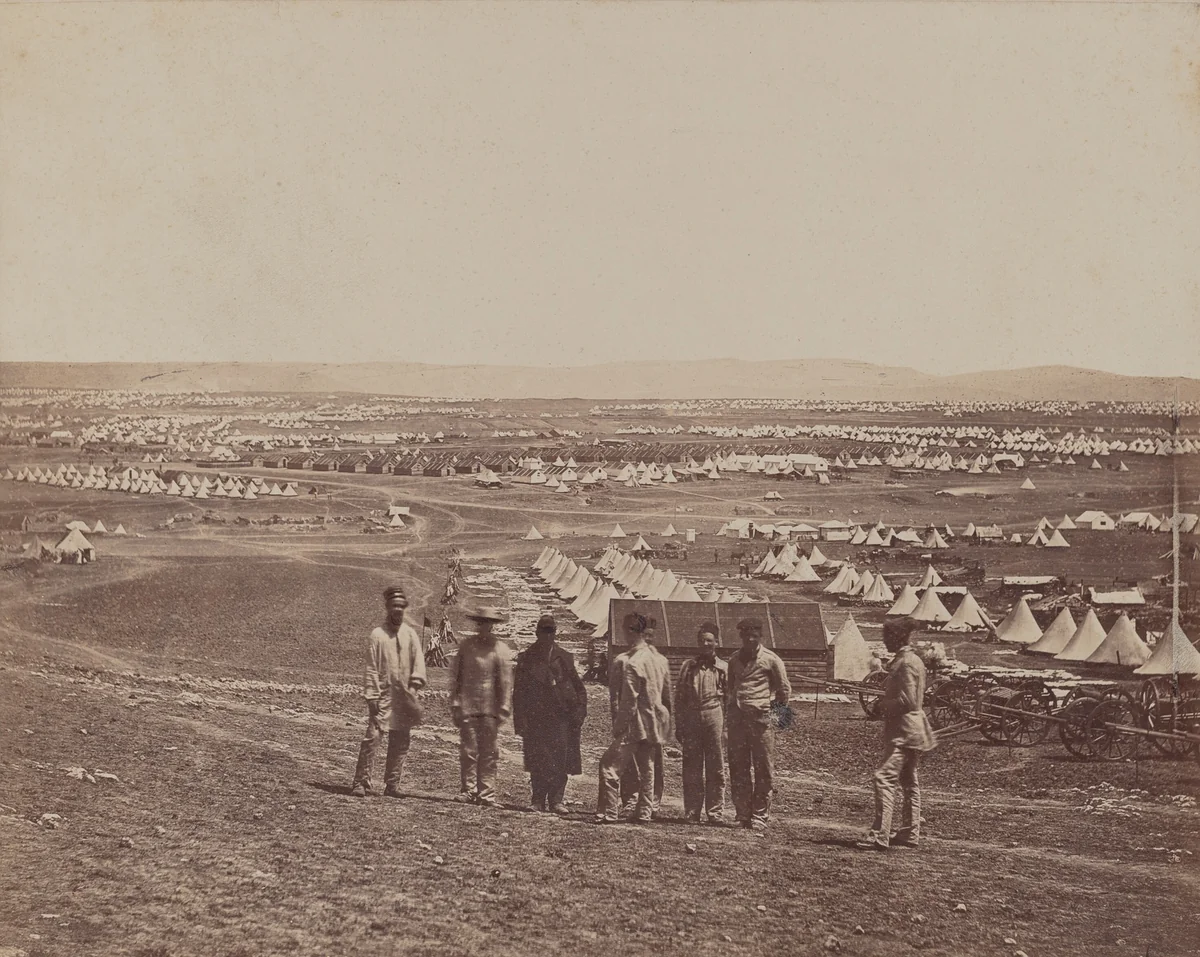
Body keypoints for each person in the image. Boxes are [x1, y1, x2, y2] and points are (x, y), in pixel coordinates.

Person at [857, 617, 937, 851]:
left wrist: (883, 706)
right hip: (912, 729)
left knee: (883, 779)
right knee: (909, 781)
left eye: (886, 637)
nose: (884, 642)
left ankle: (879, 836)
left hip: (905, 730)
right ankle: (910, 833)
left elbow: (909, 700)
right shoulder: (910, 660)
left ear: (896, 637)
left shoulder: (906, 663)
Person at [351, 585, 427, 798]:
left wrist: (413, 689)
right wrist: (372, 696)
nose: (399, 610)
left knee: (401, 740)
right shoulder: (378, 635)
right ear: (387, 607)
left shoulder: (411, 634)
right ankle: (361, 782)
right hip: (383, 696)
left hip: (404, 697)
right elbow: (371, 668)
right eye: (394, 606)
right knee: (372, 737)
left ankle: (392, 783)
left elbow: (418, 664)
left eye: (402, 606)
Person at [595, 612, 671, 824]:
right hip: (653, 725)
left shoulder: (632, 663)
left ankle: (609, 813)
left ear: (630, 631)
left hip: (635, 724)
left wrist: (619, 727)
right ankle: (645, 812)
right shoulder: (658, 660)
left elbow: (629, 701)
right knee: (647, 769)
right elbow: (664, 695)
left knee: (608, 766)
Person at [512, 614, 588, 813]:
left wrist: (579, 713)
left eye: (551, 632)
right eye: (544, 632)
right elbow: (519, 692)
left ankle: (556, 800)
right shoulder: (527, 658)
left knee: (559, 760)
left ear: (555, 634)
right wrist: (520, 720)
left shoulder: (564, 657)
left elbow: (579, 688)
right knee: (538, 759)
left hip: (561, 718)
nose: (547, 636)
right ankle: (537, 799)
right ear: (537, 633)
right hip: (536, 718)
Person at [726, 618, 792, 830]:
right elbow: (730, 687)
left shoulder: (771, 660)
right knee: (738, 767)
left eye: (754, 636)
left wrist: (772, 717)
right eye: (746, 636)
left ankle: (760, 815)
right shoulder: (734, 659)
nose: (750, 640)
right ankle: (743, 813)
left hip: (761, 721)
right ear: (741, 637)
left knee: (763, 769)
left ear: (760, 637)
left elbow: (784, 690)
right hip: (738, 721)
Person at [449, 606, 515, 807]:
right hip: (468, 706)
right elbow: (456, 677)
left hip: (490, 709)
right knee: (469, 750)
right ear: (478, 624)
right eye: (482, 623)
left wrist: (504, 705)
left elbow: (505, 681)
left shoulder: (500, 650)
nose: (485, 627)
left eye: (489, 624)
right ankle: (469, 790)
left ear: (493, 626)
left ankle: (487, 794)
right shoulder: (466, 647)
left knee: (489, 752)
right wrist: (455, 701)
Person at [675, 622, 728, 824]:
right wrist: (679, 724)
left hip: (714, 714)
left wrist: (726, 729)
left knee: (716, 766)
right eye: (702, 640)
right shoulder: (688, 667)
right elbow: (679, 698)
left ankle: (715, 812)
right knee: (691, 765)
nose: (706, 644)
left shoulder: (723, 668)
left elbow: (730, 700)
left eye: (709, 640)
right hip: (691, 717)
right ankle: (692, 812)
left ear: (716, 642)